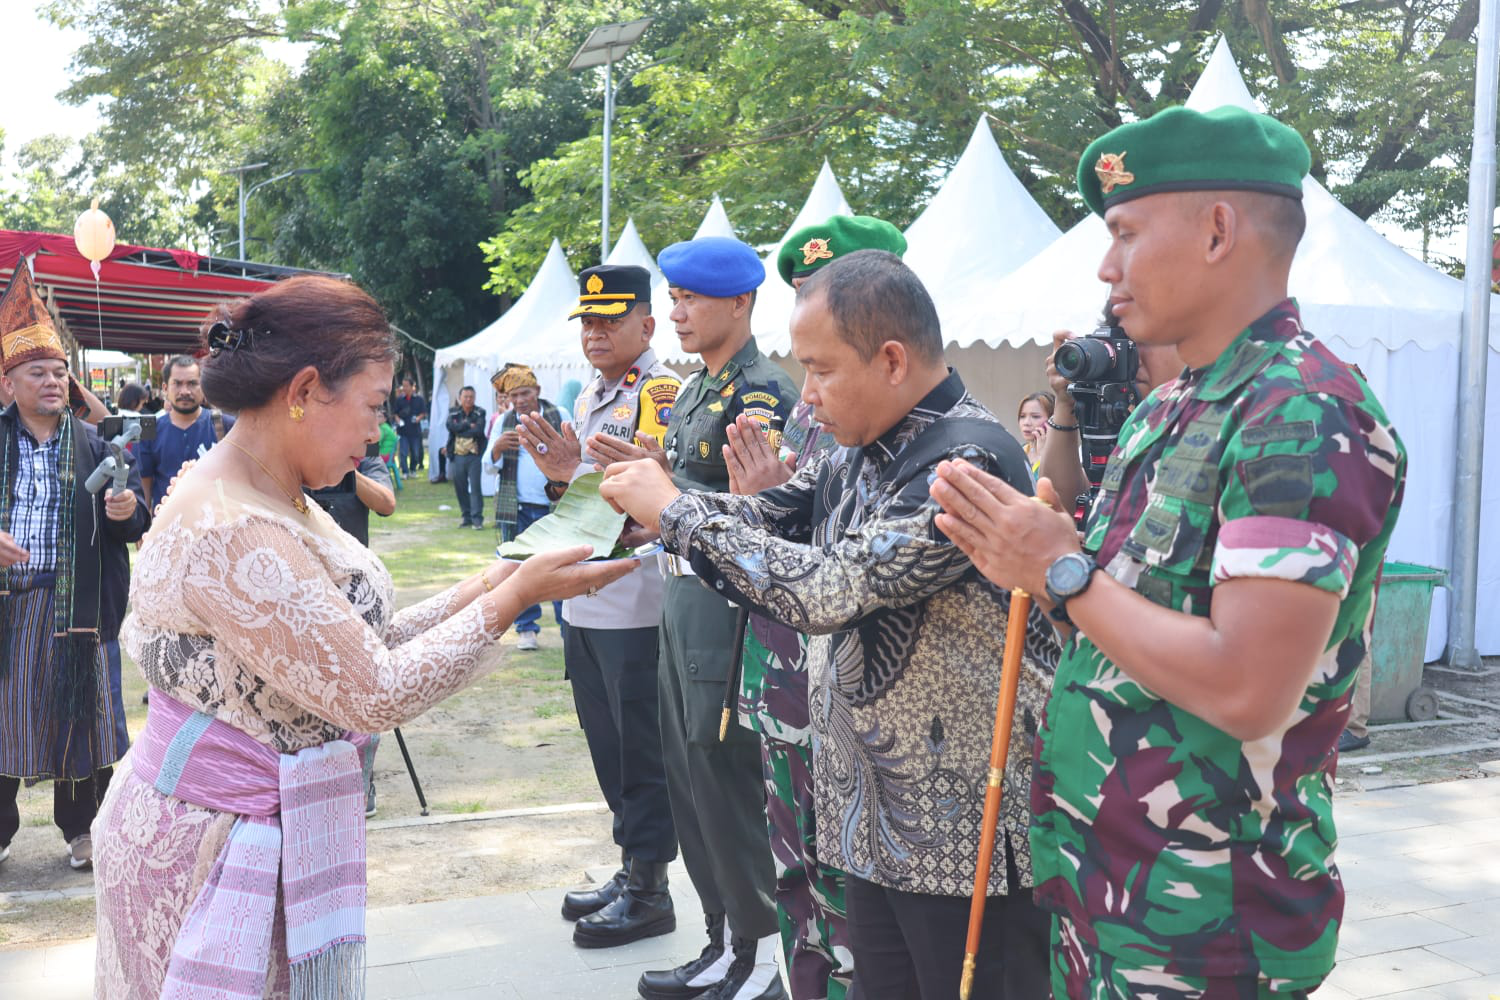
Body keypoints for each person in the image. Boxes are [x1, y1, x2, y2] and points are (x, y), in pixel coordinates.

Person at [929, 105, 1408, 999]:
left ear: (1218, 230)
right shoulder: (1170, 407)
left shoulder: (1298, 410)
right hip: (1112, 892)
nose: (1106, 267)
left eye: (1125, 232)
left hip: (1213, 926)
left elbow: (1246, 687)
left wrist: (1061, 574)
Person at [90, 274, 636, 998]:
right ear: (306, 390)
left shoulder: (268, 489)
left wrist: (495, 582)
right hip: (209, 848)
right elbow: (372, 691)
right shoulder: (238, 528)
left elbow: (348, 645)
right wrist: (512, 599)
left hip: (242, 829)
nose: (379, 431)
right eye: (373, 406)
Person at [603, 250, 1057, 1000]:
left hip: (954, 834)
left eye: (821, 370)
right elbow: (770, 512)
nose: (806, 397)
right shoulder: (864, 447)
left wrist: (674, 510)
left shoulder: (965, 460)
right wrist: (652, 517)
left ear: (890, 360)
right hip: (871, 818)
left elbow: (830, 588)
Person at [590, 236, 796, 1000]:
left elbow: (757, 507)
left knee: (723, 773)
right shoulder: (699, 390)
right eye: (672, 300)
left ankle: (761, 958)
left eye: (690, 300)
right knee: (686, 774)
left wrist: (670, 499)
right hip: (678, 593)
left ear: (739, 303)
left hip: (723, 603)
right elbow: (683, 500)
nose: (675, 313)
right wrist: (647, 512)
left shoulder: (760, 392)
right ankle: (721, 941)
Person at [709, 213, 909, 1000]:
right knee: (793, 870)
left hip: (850, 692)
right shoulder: (806, 406)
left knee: (850, 884)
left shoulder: (906, 414)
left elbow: (852, 562)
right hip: (782, 672)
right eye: (806, 293)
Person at [517, 264, 682, 949]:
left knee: (640, 749)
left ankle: (651, 891)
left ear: (647, 324)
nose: (594, 332)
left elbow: (656, 495)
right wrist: (564, 482)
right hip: (584, 600)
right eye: (587, 320)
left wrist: (576, 477)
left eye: (610, 320)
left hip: (633, 601)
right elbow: (586, 495)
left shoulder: (661, 392)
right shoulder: (591, 393)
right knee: (606, 746)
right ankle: (630, 866)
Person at [0, 257, 150, 872]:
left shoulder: (98, 445)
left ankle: (84, 831)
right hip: (9, 608)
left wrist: (123, 512)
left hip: (78, 606)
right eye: (38, 372)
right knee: (3, 723)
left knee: (83, 722)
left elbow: (138, 520)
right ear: (9, 383)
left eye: (60, 371)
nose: (54, 381)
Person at [485, 364, 567, 649]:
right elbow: (487, 465)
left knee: (561, 566)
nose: (519, 400)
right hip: (516, 507)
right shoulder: (503, 422)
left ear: (538, 392)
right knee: (520, 568)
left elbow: (575, 452)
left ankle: (567, 624)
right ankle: (526, 629)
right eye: (514, 395)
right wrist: (497, 448)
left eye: (524, 393)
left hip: (554, 507)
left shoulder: (559, 415)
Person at [135, 355, 234, 508]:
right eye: (177, 384)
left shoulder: (225, 426)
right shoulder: (149, 431)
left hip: (217, 526)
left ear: (203, 387)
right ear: (165, 389)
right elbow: (144, 489)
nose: (185, 391)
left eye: (192, 383)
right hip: (166, 526)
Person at [446, 385, 487, 528]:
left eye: (471, 397)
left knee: (475, 487)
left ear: (474, 398)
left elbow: (478, 430)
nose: (468, 399)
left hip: (474, 456)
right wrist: (468, 426)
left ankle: (477, 520)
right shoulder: (453, 412)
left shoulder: (480, 412)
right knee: (460, 487)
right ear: (460, 398)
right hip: (457, 456)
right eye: (465, 397)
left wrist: (462, 428)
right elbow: (451, 427)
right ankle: (466, 517)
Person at [392, 374, 427, 475]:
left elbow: (423, 412)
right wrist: (398, 420)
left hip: (415, 430)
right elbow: (395, 413)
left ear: (412, 386)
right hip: (403, 431)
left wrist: (418, 418)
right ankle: (405, 471)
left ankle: (413, 469)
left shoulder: (419, 399)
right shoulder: (399, 399)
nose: (405, 388)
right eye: (403, 385)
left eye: (407, 385)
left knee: (415, 453)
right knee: (403, 452)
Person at [1016, 391, 1054, 480]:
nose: (1026, 423)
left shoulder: (1062, 455)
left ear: (1052, 420)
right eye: (1022, 416)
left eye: (1035, 416)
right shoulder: (1019, 451)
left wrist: (1042, 457)